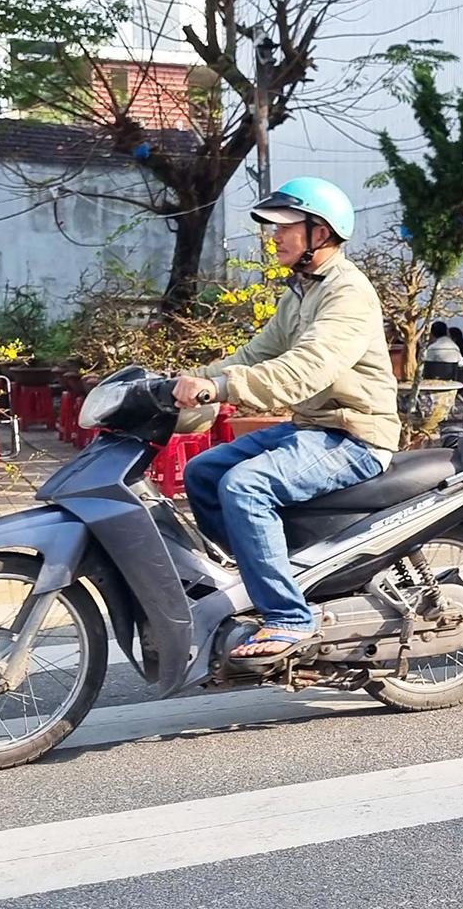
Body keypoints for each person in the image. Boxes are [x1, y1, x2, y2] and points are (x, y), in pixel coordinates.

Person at [172, 177, 401, 666]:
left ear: (320, 232)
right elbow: (257, 354)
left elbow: (305, 371)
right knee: (203, 473)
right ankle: (269, 576)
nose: (273, 237)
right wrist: (185, 381)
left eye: (285, 227)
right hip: (313, 429)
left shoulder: (347, 293)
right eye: (272, 228)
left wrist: (224, 388)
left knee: (245, 486)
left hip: (354, 435)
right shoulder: (301, 291)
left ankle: (289, 617)